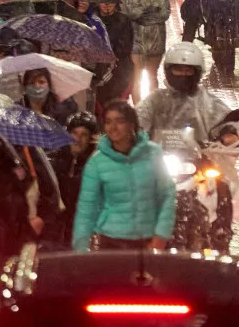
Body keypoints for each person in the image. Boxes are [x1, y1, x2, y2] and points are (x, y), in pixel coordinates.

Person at [72, 100, 175, 251]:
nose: (113, 127)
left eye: (119, 121)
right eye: (108, 122)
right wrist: (80, 248)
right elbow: (87, 207)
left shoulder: (152, 153)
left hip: (148, 241)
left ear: (131, 124)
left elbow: (167, 194)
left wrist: (161, 236)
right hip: (111, 241)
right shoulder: (97, 161)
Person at [136, 42, 233, 143]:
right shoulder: (155, 100)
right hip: (156, 155)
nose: (183, 74)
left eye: (188, 70)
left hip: (200, 157)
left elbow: (227, 122)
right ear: (168, 71)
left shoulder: (209, 102)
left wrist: (230, 134)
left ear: (197, 72)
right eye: (177, 69)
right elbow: (138, 119)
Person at [122, 0, 170, 99]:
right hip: (136, 40)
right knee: (136, 76)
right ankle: (138, 110)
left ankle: (152, 106)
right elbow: (130, 12)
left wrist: (144, 15)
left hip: (156, 40)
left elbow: (165, 13)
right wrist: (152, 11)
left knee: (152, 75)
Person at [49, 112, 99, 246]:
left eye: (84, 135)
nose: (78, 139)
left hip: (81, 228)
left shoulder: (94, 164)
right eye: (75, 133)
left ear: (90, 139)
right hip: (56, 230)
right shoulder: (55, 161)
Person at [97, 0, 136, 103]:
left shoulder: (124, 20)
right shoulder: (92, 19)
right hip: (97, 69)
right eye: (103, 1)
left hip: (118, 70)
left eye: (111, 1)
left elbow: (126, 47)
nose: (106, 5)